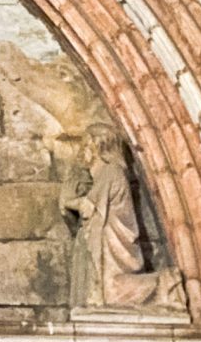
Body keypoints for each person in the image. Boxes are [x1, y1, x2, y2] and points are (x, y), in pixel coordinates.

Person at [62, 124, 186, 311]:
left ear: (98, 146)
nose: (82, 152)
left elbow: (88, 207)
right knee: (109, 292)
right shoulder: (106, 174)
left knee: (114, 292)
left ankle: (167, 284)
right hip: (105, 246)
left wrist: (67, 200)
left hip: (111, 252)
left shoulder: (110, 172)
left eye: (86, 145)